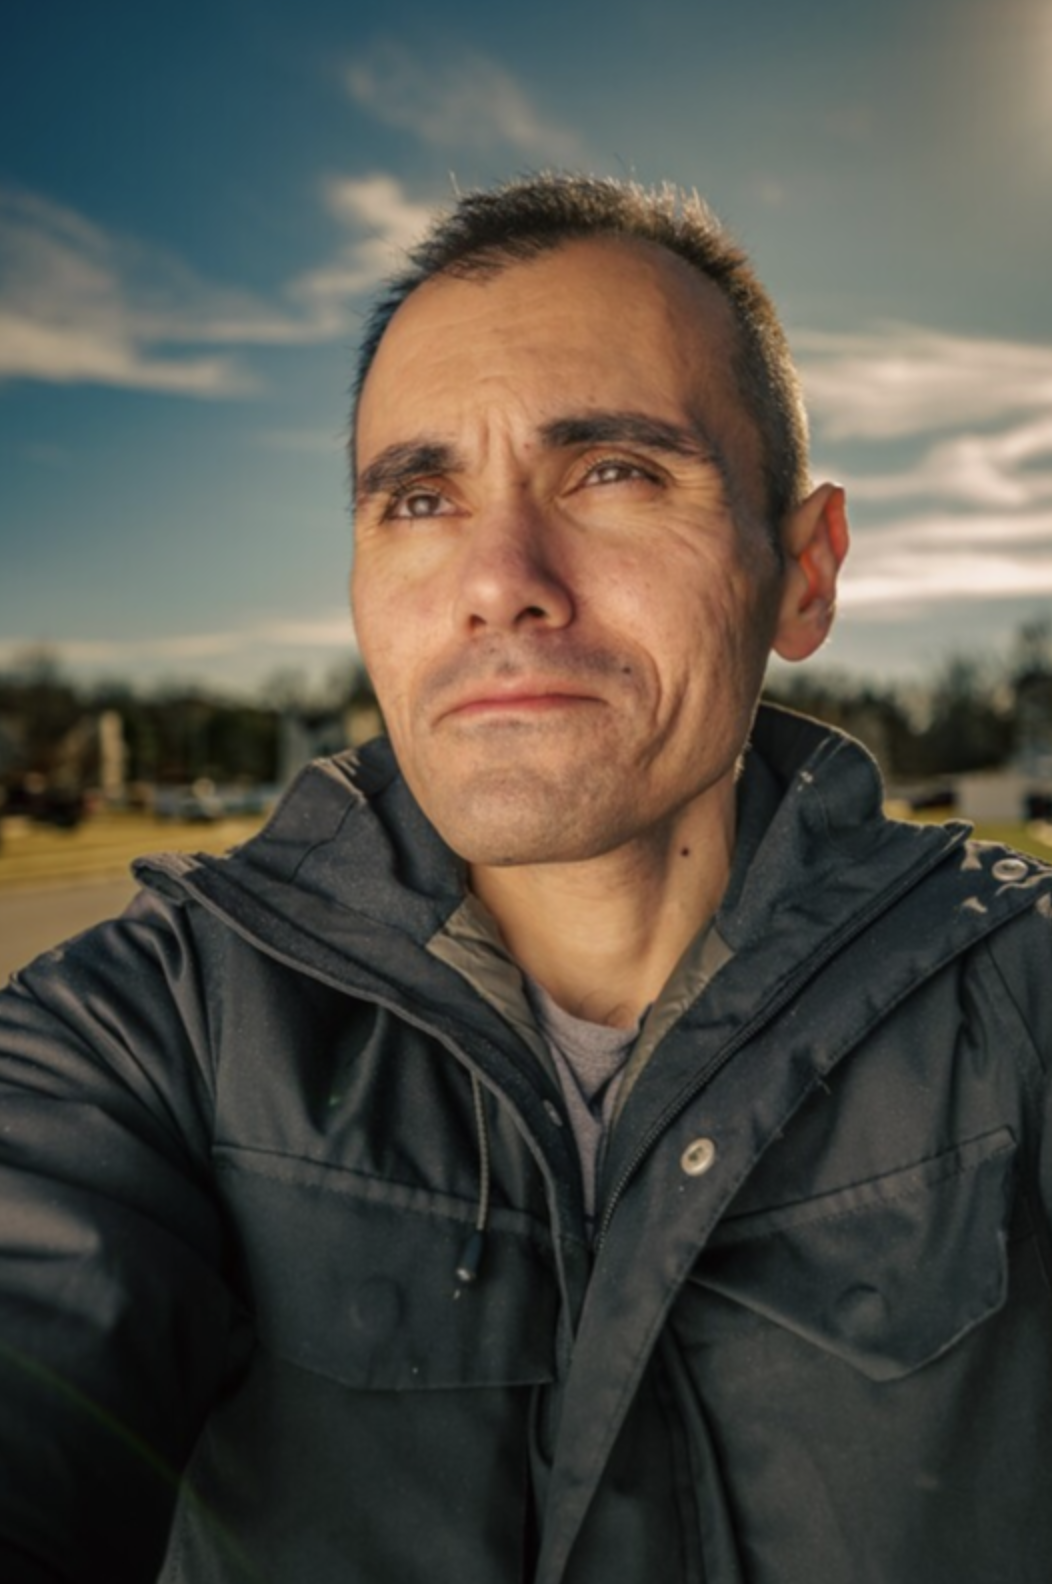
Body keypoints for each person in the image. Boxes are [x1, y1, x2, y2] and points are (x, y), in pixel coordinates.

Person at [1, 173, 1050, 1584]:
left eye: (613, 471)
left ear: (804, 572)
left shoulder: (1020, 1007)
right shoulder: (150, 1036)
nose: (499, 578)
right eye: (421, 498)